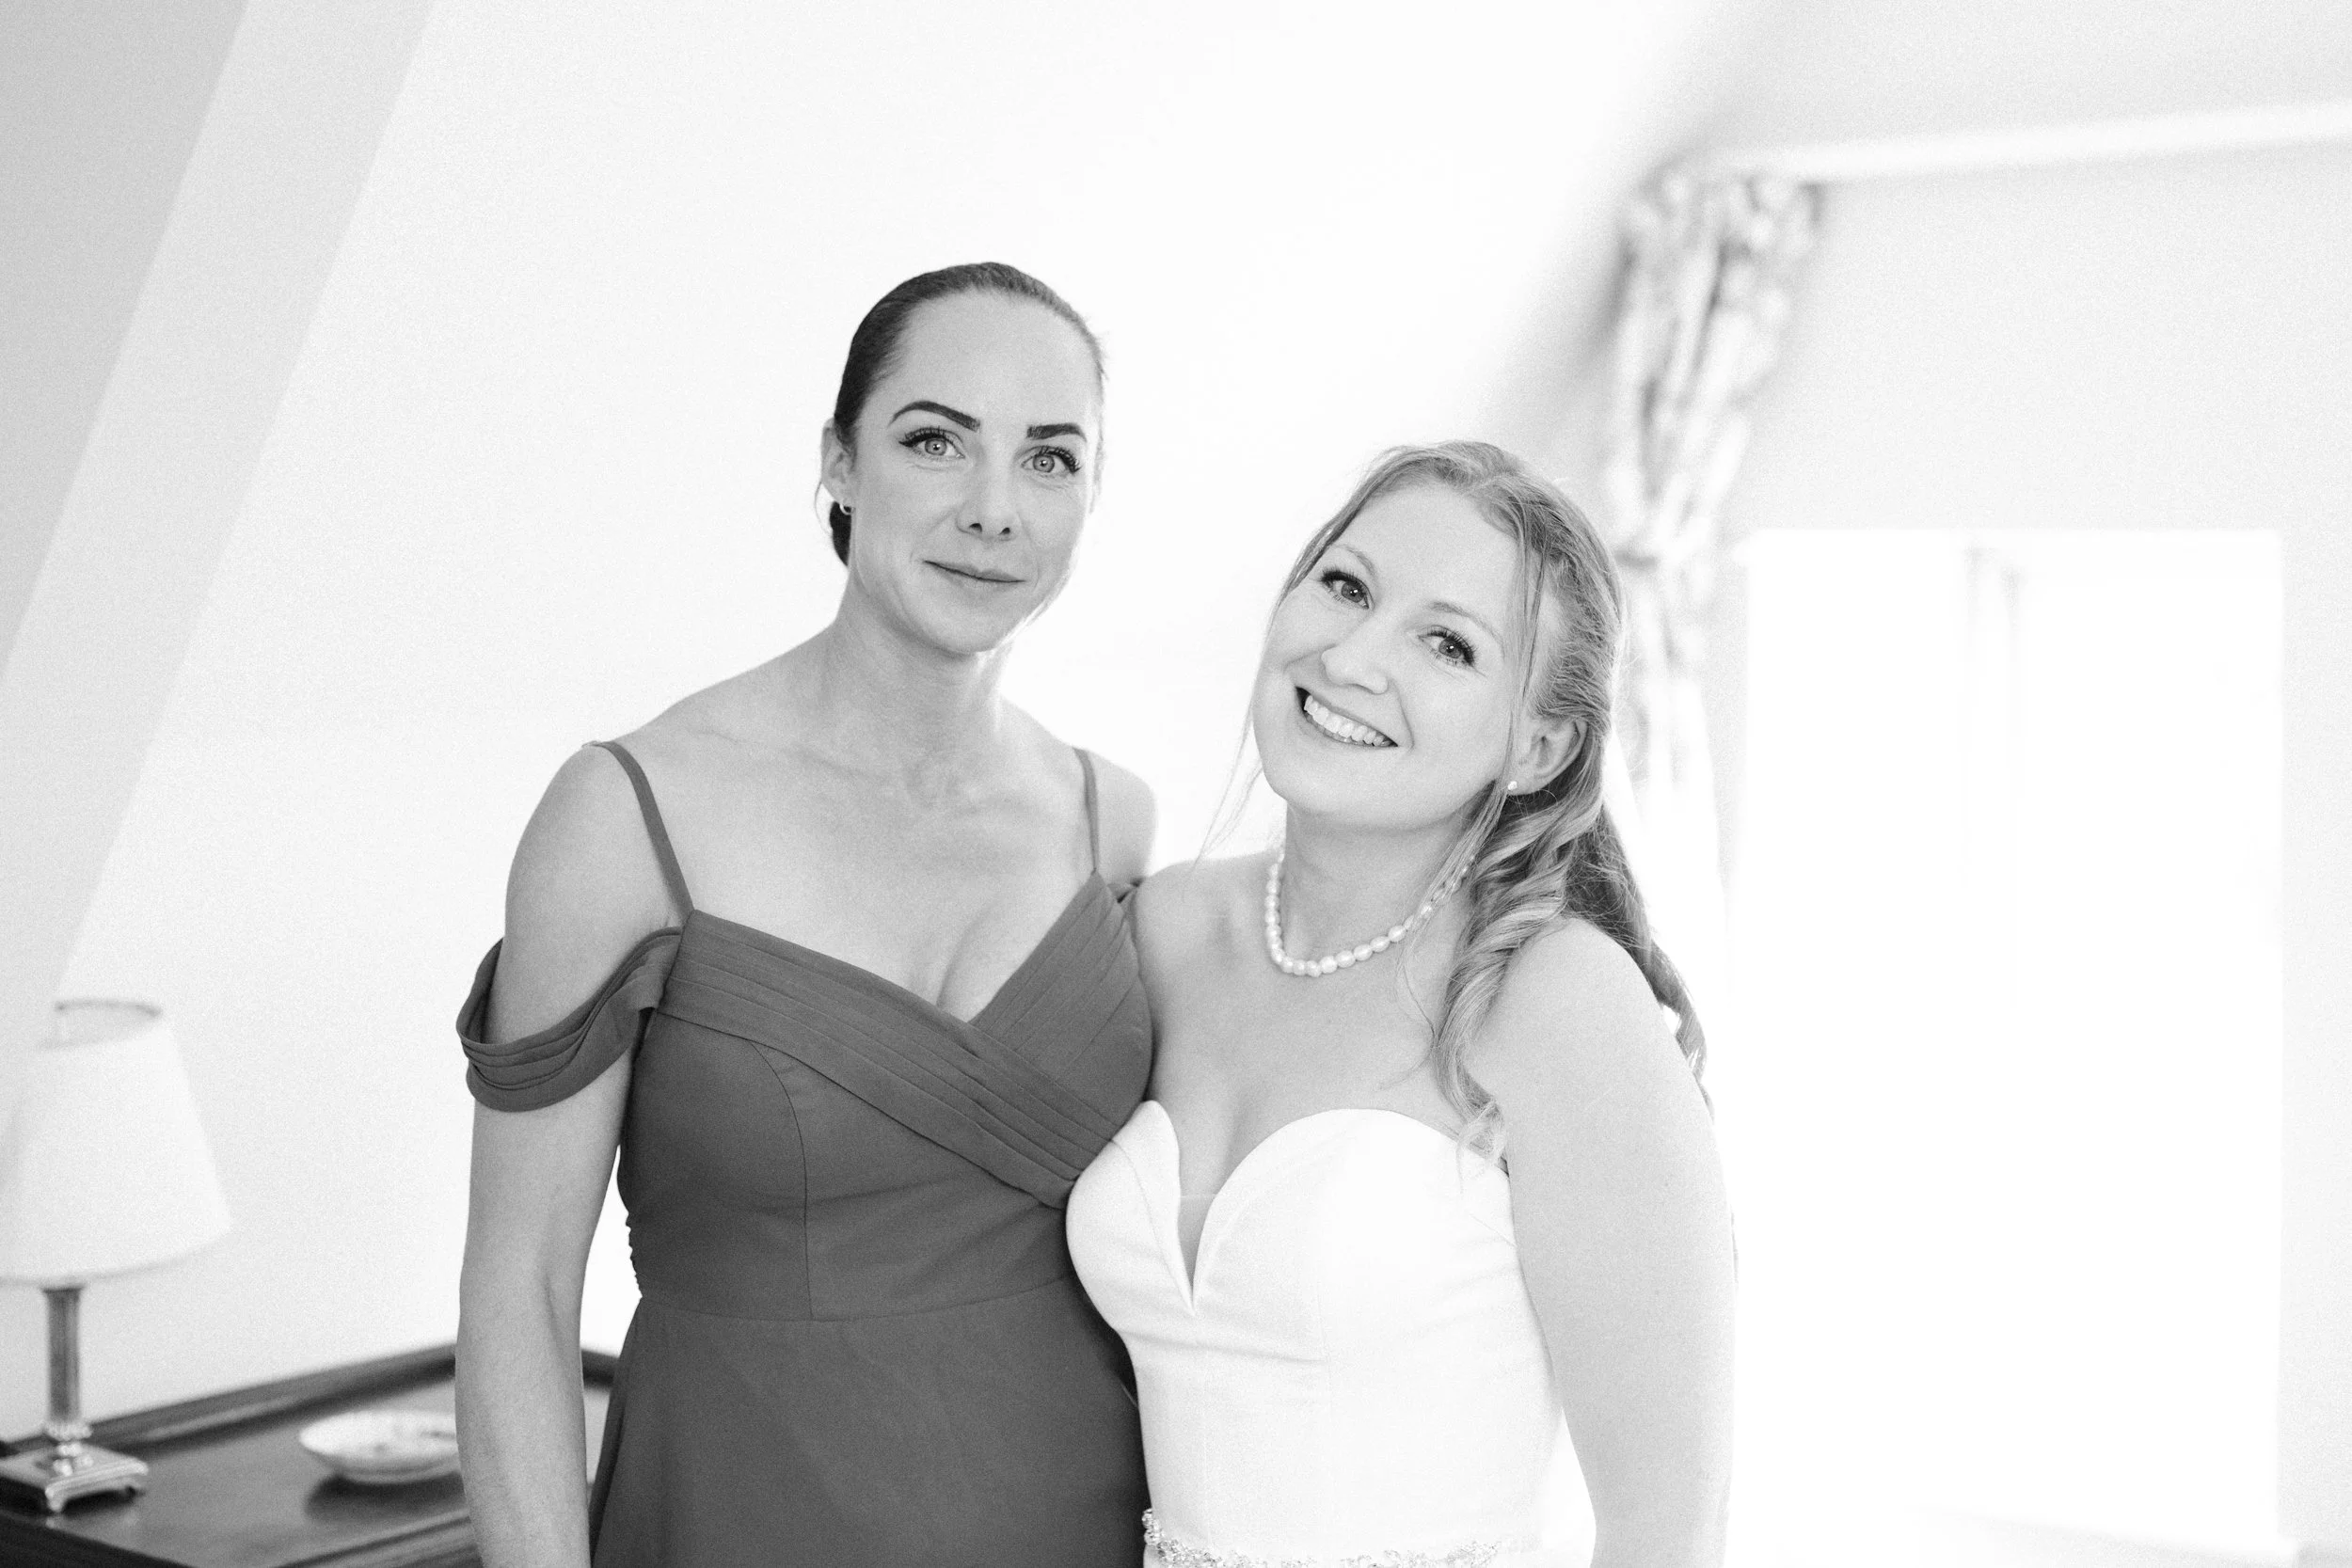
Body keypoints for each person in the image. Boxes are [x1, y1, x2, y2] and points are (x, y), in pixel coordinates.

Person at [454, 261, 1156, 1567]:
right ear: (839, 461)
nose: (993, 507)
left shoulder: (1113, 821)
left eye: (1050, 458)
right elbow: (519, 1290)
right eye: (935, 440)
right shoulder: (630, 813)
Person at [1068, 441, 1735, 1567]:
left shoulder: (1555, 999)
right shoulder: (1162, 929)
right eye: (1346, 585)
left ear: (1539, 745)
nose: (1352, 657)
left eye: (1446, 643)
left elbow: (1669, 1531)